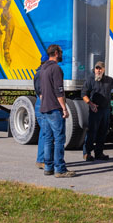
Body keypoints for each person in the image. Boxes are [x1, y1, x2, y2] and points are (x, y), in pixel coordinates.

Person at [38, 44, 75, 178]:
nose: (62, 54)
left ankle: (48, 167)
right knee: (59, 139)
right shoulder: (56, 69)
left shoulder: (43, 69)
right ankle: (60, 169)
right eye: (60, 51)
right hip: (54, 108)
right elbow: (59, 91)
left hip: (44, 107)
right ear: (55, 53)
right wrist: (64, 108)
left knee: (48, 138)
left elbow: (41, 89)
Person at [81, 61, 113, 161]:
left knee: (103, 132)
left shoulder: (108, 80)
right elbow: (83, 94)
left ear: (103, 70)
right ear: (94, 69)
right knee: (92, 132)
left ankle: (99, 153)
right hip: (95, 110)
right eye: (96, 68)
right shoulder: (90, 80)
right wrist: (91, 104)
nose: (98, 70)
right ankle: (87, 153)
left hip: (105, 110)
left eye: (100, 68)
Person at [33, 54, 49, 169]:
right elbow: (41, 92)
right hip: (42, 104)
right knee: (44, 132)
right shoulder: (40, 74)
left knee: (46, 133)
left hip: (44, 103)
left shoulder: (42, 73)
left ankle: (45, 159)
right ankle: (41, 160)